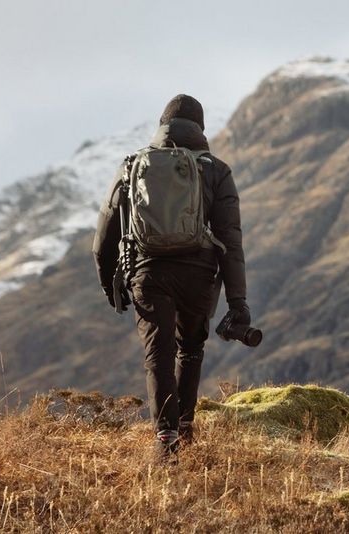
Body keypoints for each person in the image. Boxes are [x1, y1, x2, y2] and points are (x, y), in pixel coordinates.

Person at [92, 94, 251, 460]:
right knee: (190, 349)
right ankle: (184, 429)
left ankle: (165, 439)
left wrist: (109, 284)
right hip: (199, 276)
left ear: (162, 126)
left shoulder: (133, 166)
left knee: (158, 353)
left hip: (148, 271)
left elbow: (104, 237)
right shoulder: (216, 170)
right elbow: (231, 241)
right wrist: (237, 301)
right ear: (200, 129)